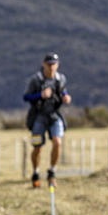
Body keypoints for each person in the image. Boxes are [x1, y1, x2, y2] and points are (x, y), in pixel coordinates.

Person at [23, 52, 71, 187]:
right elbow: (26, 97)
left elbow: (63, 90)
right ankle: (36, 173)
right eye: (49, 64)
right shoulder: (36, 80)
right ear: (44, 64)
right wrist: (40, 95)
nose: (51, 67)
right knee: (37, 147)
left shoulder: (60, 79)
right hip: (39, 117)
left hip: (55, 116)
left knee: (57, 142)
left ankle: (52, 173)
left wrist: (66, 97)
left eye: (53, 64)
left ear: (57, 65)